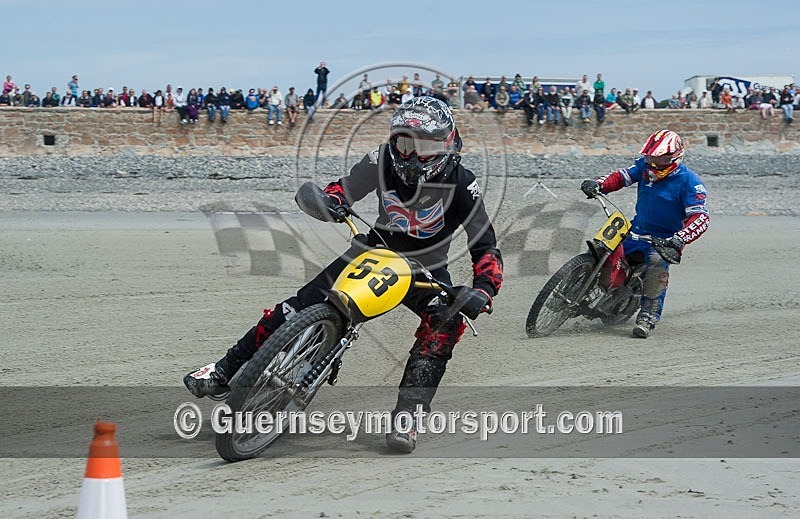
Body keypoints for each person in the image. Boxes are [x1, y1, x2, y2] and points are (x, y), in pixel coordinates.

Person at [184, 96, 503, 453]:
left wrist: (484, 289)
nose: (412, 155)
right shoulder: (381, 159)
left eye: (425, 146)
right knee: (296, 306)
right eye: (405, 143)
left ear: (447, 144)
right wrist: (331, 199)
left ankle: (408, 416)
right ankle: (224, 370)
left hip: (425, 271)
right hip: (371, 250)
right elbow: (346, 186)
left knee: (445, 325)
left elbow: (485, 244)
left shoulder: (463, 183)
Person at [580, 129, 709, 338]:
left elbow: (701, 217)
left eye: (656, 158)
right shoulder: (644, 167)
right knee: (601, 245)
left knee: (657, 263)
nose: (650, 161)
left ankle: (648, 315)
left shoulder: (689, 182)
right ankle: (581, 284)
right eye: (648, 156)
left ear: (672, 157)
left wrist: (680, 238)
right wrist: (599, 184)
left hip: (665, 240)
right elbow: (621, 177)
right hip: (635, 228)